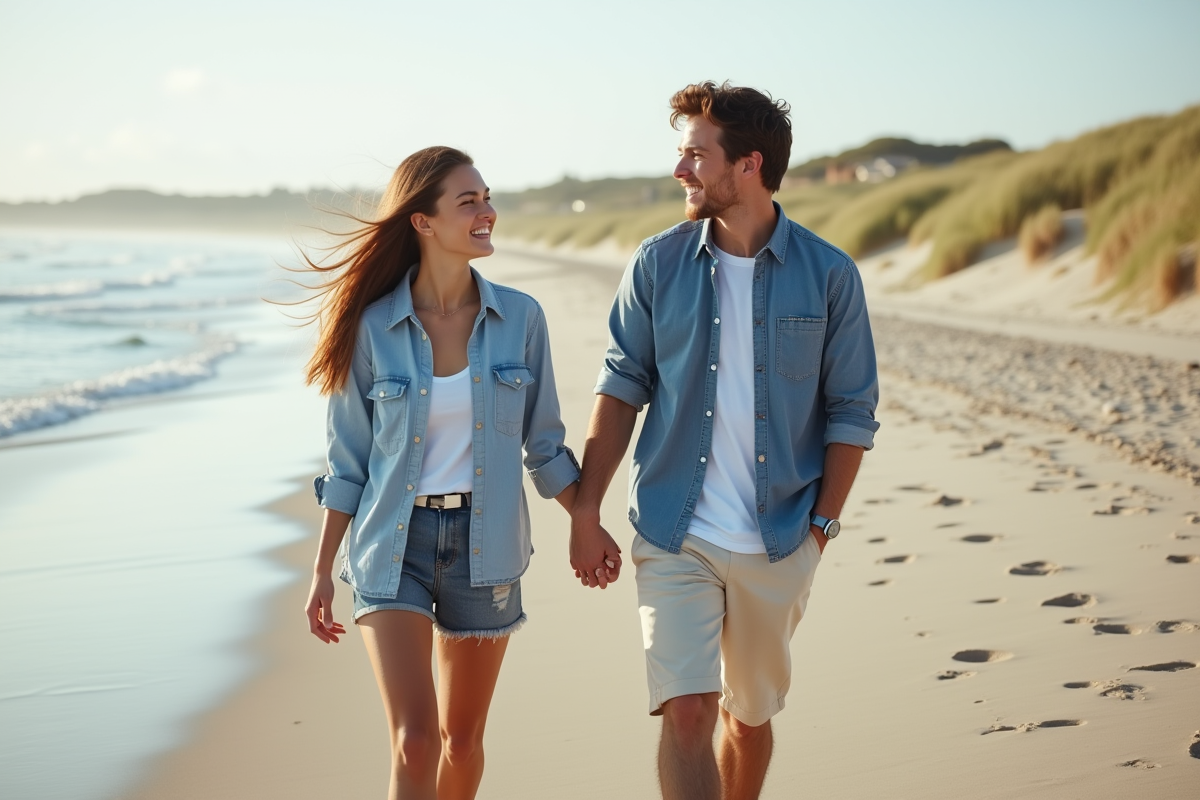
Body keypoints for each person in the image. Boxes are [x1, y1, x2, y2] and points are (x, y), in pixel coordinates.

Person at [569, 82, 880, 800]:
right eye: (680, 155)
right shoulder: (657, 264)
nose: (681, 171)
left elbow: (851, 411)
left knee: (749, 715)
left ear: (749, 164)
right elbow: (620, 389)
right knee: (686, 712)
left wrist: (822, 530)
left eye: (695, 156)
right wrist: (587, 511)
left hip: (780, 537)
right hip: (677, 530)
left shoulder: (830, 275)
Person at [301, 146, 587, 800]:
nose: (487, 212)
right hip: (391, 546)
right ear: (423, 222)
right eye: (469, 201)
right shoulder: (372, 328)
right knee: (417, 740)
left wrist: (585, 520)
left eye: (487, 197)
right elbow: (348, 461)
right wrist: (321, 569)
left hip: (486, 549)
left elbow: (544, 444)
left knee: (462, 743)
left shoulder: (521, 319)